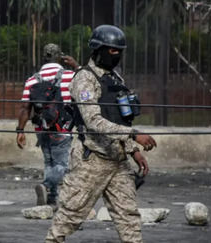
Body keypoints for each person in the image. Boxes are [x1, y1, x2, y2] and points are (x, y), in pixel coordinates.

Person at [45, 25, 157, 243]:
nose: (116, 56)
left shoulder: (115, 79)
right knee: (70, 216)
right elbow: (94, 121)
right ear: (97, 50)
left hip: (118, 161)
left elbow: (118, 118)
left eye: (119, 51)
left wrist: (133, 150)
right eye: (112, 51)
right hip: (91, 160)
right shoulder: (84, 79)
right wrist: (134, 135)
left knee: (129, 217)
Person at [16, 43, 79, 206]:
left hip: (41, 129)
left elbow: (25, 108)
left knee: (49, 162)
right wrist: (76, 66)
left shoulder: (32, 79)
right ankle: (46, 185)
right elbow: (87, 86)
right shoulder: (70, 76)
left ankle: (50, 198)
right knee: (62, 165)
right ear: (60, 57)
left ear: (44, 57)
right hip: (62, 128)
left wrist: (20, 131)